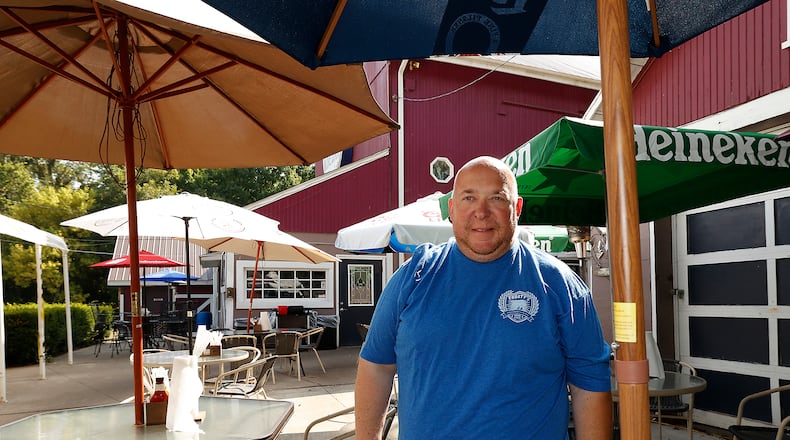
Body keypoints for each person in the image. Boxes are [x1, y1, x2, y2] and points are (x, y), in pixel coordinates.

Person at [355, 156, 612, 439]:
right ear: (452, 209)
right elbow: (376, 367)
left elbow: (589, 386)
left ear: (517, 207)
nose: (481, 212)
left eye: (497, 199)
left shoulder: (560, 285)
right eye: (468, 198)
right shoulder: (412, 278)